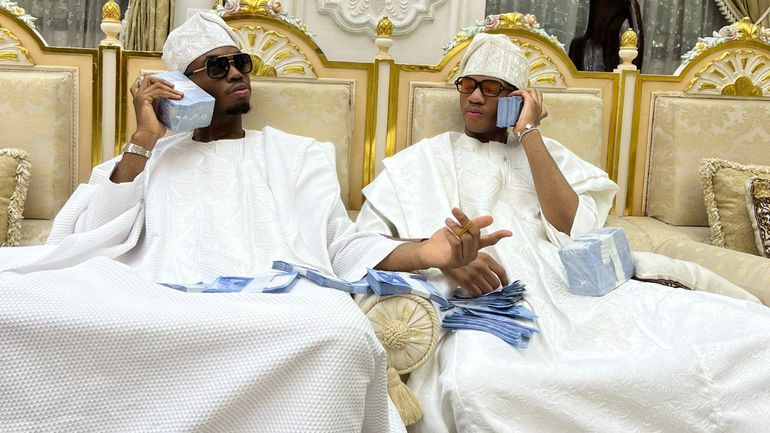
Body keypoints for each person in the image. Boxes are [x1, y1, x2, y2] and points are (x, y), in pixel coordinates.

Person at [0, 13, 510, 433]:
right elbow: (87, 235)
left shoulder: (297, 156)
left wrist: (429, 252)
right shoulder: (149, 157)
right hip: (159, 296)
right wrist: (144, 138)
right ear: (180, 87)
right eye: (216, 67)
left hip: (273, 302)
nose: (235, 74)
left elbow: (339, 244)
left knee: (341, 335)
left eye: (240, 63)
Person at [356, 33, 770, 433]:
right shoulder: (422, 161)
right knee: (480, 382)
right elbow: (363, 245)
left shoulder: (546, 155)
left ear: (518, 99)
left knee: (747, 332)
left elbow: (574, 230)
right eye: (468, 84)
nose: (475, 97)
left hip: (568, 290)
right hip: (491, 305)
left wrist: (529, 134)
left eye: (492, 87)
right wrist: (441, 260)